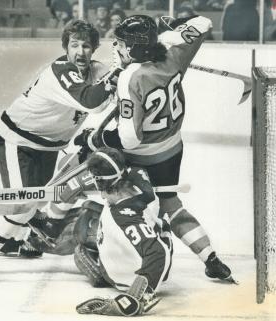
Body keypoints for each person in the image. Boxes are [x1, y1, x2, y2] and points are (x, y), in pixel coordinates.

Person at [75, 14, 236, 283]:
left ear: (135, 48)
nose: (118, 48)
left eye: (123, 43)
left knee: (120, 199)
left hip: (142, 155)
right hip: (172, 149)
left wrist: (95, 140)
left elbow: (129, 140)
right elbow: (204, 21)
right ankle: (210, 258)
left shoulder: (129, 77)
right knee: (171, 205)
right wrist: (171, 27)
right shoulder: (174, 52)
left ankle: (104, 244)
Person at [0, 20, 119, 278]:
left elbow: (116, 88)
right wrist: (119, 74)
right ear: (66, 47)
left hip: (49, 145)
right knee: (23, 202)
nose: (80, 52)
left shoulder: (95, 70)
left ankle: (17, 238)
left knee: (36, 200)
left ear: (93, 49)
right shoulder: (60, 71)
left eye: (86, 46)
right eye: (74, 45)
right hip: (18, 140)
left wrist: (135, 69)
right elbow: (93, 102)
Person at [74, 147, 172, 316]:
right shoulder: (137, 173)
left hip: (126, 279)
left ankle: (103, 276)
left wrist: (136, 295)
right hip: (154, 249)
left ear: (101, 183)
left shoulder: (124, 217)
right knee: (91, 213)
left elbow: (158, 253)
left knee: (80, 243)